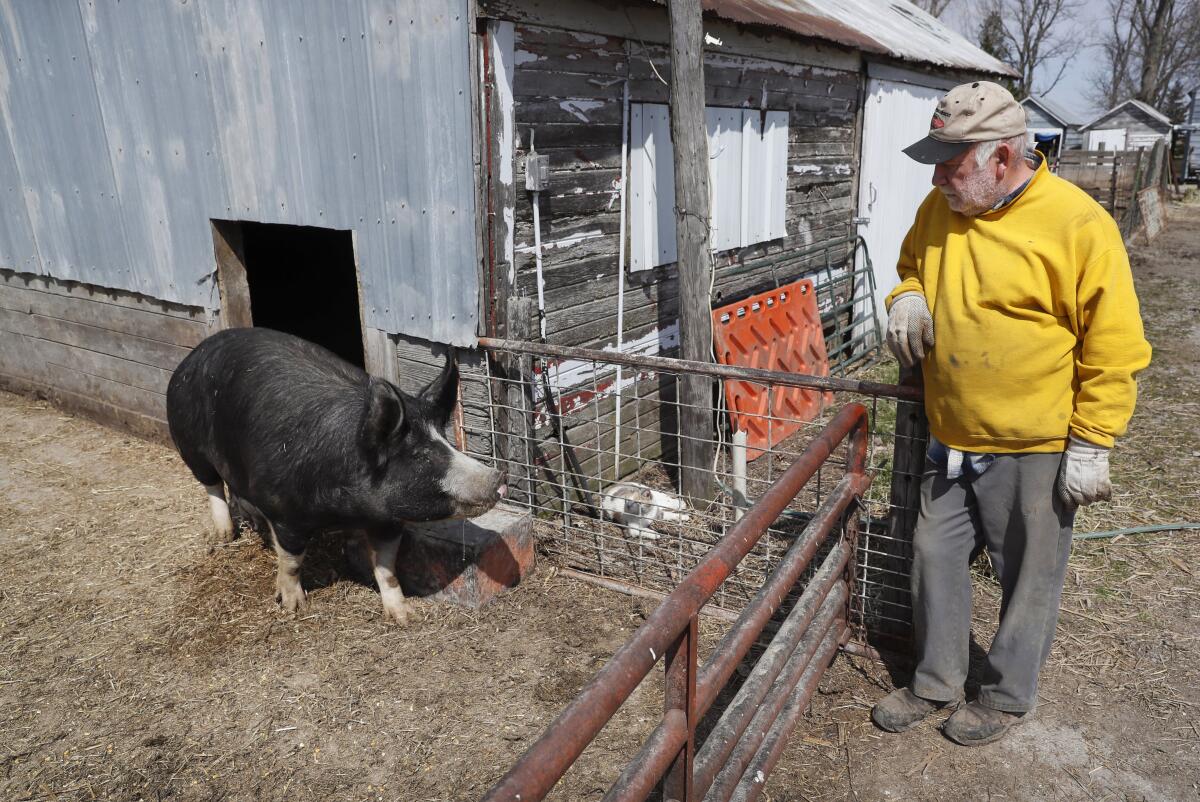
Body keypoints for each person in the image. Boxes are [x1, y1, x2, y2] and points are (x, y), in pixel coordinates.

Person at [871, 81, 1152, 746]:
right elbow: (911, 265)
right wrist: (905, 297)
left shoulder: (1077, 224)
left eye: (953, 162)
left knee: (1027, 575)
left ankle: (1003, 696)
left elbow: (1115, 344)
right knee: (932, 555)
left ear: (1002, 159)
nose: (939, 177)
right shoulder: (940, 209)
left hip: (1035, 442)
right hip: (953, 432)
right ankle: (936, 681)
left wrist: (1092, 440)